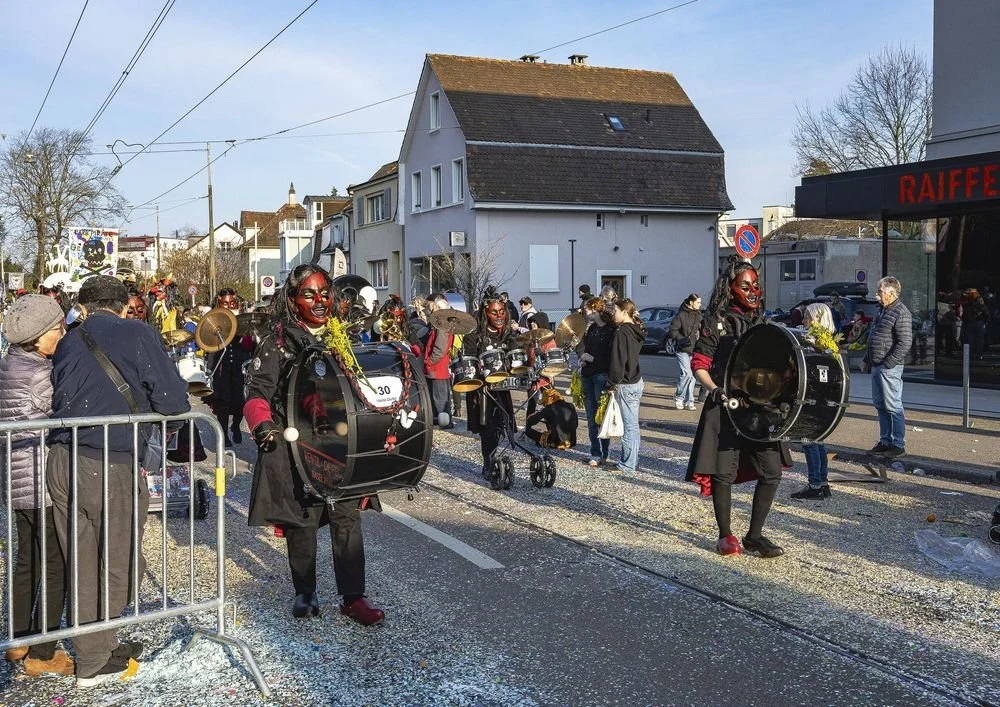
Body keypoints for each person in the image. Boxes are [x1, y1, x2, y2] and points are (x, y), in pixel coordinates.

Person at [46, 275, 190, 687]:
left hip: (62, 456)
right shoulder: (136, 332)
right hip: (108, 460)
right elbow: (173, 401)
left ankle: (99, 648)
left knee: (81, 560)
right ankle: (95, 656)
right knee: (120, 561)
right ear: (125, 305)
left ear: (83, 307)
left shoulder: (69, 340)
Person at [243, 264, 384, 626]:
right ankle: (305, 592)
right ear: (293, 300)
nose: (320, 301)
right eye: (309, 294)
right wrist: (262, 424)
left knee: (347, 518)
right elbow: (257, 391)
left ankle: (354, 597)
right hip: (298, 446)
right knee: (302, 521)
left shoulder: (343, 337)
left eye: (324, 293)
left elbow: (363, 386)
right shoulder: (277, 342)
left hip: (342, 444)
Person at [686, 256, 790, 559]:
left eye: (755, 285)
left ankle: (754, 536)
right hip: (726, 406)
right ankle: (725, 535)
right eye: (745, 286)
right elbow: (699, 364)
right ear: (730, 288)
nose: (752, 291)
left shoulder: (762, 322)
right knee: (723, 473)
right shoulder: (716, 321)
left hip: (759, 409)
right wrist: (715, 390)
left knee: (771, 472)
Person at [0, 295, 74, 676]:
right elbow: (63, 409)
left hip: (17, 482)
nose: (61, 335)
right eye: (56, 329)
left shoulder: (9, 364)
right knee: (56, 563)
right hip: (42, 480)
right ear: (37, 337)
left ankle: (18, 638)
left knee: (27, 559)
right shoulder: (39, 375)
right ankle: (44, 652)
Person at [465, 289, 518, 474]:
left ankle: (495, 458)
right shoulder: (474, 334)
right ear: (485, 313)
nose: (499, 316)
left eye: (502, 312)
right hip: (482, 390)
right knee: (486, 426)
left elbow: (515, 356)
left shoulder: (508, 334)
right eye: (494, 313)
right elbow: (468, 360)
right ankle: (488, 463)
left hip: (501, 387)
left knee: (500, 423)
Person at [791, 303, 838, 500]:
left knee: (808, 440)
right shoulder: (830, 342)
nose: (804, 321)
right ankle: (823, 484)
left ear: (817, 319)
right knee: (818, 440)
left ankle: (814, 485)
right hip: (825, 397)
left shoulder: (814, 341)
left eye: (807, 317)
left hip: (812, 395)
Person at [862, 276, 912, 458]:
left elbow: (905, 342)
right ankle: (885, 441)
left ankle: (898, 445)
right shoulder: (883, 310)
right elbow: (873, 336)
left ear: (891, 292)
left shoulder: (901, 312)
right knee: (881, 405)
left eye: (880, 291)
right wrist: (867, 359)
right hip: (878, 365)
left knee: (893, 406)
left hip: (888, 367)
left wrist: (889, 363)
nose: (877, 294)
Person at [209, 289, 252, 446]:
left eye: (232, 303)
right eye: (225, 303)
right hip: (222, 365)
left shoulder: (244, 319)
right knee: (223, 401)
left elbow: (249, 344)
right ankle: (224, 434)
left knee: (241, 400)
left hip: (240, 365)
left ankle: (236, 425)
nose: (229, 306)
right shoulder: (213, 320)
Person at [607, 299, 645, 473]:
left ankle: (627, 464)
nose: (613, 313)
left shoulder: (622, 332)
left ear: (624, 312)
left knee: (629, 426)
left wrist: (611, 382)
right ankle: (632, 461)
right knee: (633, 425)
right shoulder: (636, 330)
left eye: (615, 310)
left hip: (626, 382)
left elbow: (618, 360)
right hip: (636, 379)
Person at [579, 296, 615, 467]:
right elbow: (587, 349)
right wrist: (583, 360)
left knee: (601, 415)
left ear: (595, 310)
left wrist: (592, 358)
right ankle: (595, 451)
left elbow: (610, 357)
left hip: (601, 375)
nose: (584, 312)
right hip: (588, 374)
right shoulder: (592, 328)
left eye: (586, 309)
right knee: (590, 417)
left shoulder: (610, 330)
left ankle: (604, 452)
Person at [423, 293, 454, 427]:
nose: (428, 307)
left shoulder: (442, 325)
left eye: (430, 305)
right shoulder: (439, 324)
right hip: (437, 365)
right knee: (438, 395)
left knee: (440, 396)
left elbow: (440, 347)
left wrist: (430, 361)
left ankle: (445, 421)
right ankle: (439, 419)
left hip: (437, 366)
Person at [670, 293, 702, 411]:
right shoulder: (681, 315)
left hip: (694, 349)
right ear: (691, 303)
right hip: (682, 349)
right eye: (698, 302)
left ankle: (690, 401)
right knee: (686, 374)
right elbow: (673, 331)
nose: (700, 304)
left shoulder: (699, 315)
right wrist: (681, 339)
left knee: (692, 377)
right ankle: (679, 397)